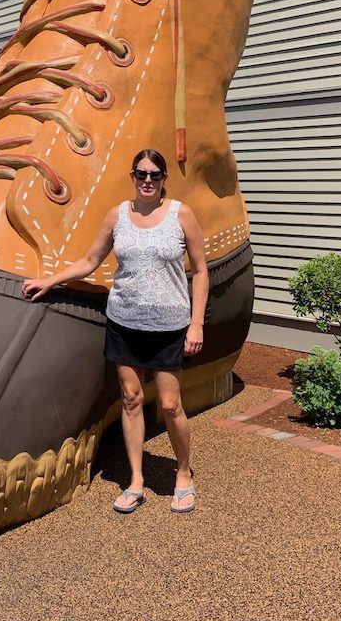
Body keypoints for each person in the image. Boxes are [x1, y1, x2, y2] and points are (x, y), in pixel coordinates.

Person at [22, 148, 208, 515]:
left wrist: (197, 323)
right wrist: (50, 280)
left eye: (155, 175)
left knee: (171, 405)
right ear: (133, 176)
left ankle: (183, 472)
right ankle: (136, 480)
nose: (148, 181)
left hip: (169, 325)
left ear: (164, 178)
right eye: (141, 174)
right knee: (131, 399)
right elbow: (91, 260)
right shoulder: (118, 216)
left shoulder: (180, 214)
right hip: (125, 321)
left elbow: (201, 270)